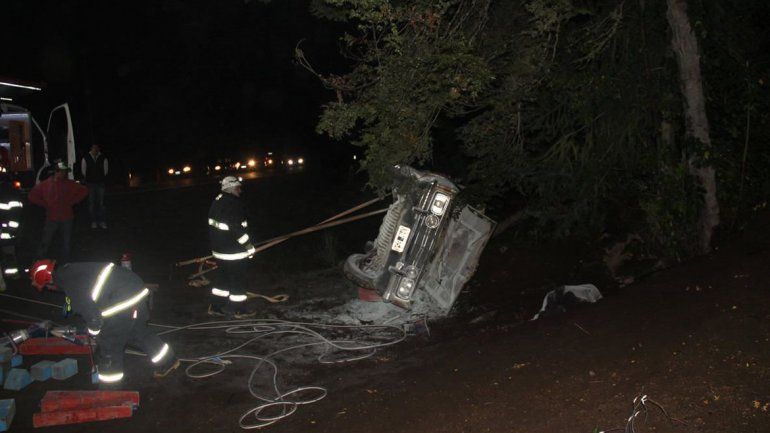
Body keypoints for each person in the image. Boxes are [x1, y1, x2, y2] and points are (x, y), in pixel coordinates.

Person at [30, 259, 180, 386]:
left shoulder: (70, 282)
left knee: (109, 343)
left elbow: (93, 318)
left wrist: (94, 333)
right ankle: (169, 361)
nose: (49, 289)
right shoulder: (71, 271)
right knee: (138, 333)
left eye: (47, 286)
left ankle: (111, 389)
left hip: (124, 300)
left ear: (49, 280)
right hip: (136, 291)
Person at [207, 176, 256, 318]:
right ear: (231, 188)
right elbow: (236, 228)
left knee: (222, 280)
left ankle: (216, 306)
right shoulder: (232, 204)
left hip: (220, 251)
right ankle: (239, 310)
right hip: (234, 251)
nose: (240, 191)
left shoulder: (218, 201)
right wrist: (248, 246)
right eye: (238, 188)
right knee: (238, 280)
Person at [27, 161, 88, 263]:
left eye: (64, 172)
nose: (64, 174)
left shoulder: (69, 183)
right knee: (46, 241)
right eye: (62, 171)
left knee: (66, 242)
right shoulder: (46, 184)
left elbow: (84, 190)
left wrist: (72, 202)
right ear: (56, 172)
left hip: (66, 217)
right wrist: (45, 204)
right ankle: (39, 261)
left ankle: (65, 262)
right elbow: (32, 195)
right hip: (52, 217)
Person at [0, 174, 23, 289]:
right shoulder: (11, 192)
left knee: (8, 252)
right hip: (8, 231)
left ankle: (10, 276)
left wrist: (11, 228)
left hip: (6, 230)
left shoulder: (8, 193)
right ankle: (12, 275)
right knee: (9, 253)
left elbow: (14, 212)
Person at [81, 144, 109, 229]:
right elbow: (83, 171)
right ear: (91, 149)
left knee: (101, 203)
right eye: (94, 148)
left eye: (97, 148)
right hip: (90, 184)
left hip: (100, 183)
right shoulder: (86, 158)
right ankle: (93, 221)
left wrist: (100, 177)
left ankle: (101, 221)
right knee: (91, 203)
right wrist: (90, 178)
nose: (95, 150)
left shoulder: (103, 158)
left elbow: (105, 170)